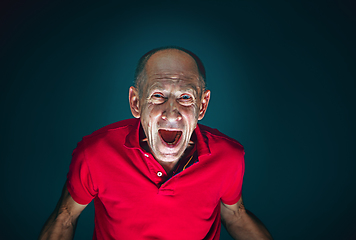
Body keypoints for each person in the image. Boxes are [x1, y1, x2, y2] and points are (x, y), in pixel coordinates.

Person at [39, 46, 273, 240]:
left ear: (202, 106)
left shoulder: (228, 157)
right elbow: (65, 216)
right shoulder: (95, 153)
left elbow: (235, 214)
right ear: (136, 102)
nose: (171, 114)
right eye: (158, 96)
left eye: (185, 97)